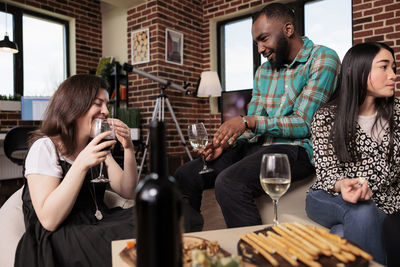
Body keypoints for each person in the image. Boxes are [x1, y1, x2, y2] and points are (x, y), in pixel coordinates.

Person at [175, 3, 340, 232]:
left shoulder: (322, 59)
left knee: (229, 183)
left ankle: (256, 254)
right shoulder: (264, 71)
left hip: (297, 149)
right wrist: (229, 142)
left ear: (288, 29)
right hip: (260, 145)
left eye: (264, 39)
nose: (260, 49)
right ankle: (187, 245)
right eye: (256, 43)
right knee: (186, 174)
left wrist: (247, 122)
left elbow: (304, 124)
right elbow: (254, 122)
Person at [15, 74, 138, 267]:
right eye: (98, 104)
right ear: (75, 106)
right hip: (60, 237)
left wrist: (129, 148)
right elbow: (49, 220)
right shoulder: (45, 147)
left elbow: (128, 190)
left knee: (168, 213)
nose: (106, 111)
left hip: (95, 223)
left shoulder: (96, 146)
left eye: (107, 104)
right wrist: (81, 164)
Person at [305, 42, 398, 265]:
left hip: (386, 203)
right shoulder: (326, 117)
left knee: (342, 233)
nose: (393, 75)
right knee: (361, 209)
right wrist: (342, 184)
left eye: (394, 68)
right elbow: (327, 172)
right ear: (355, 70)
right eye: (384, 67)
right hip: (329, 195)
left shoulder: (398, 113)